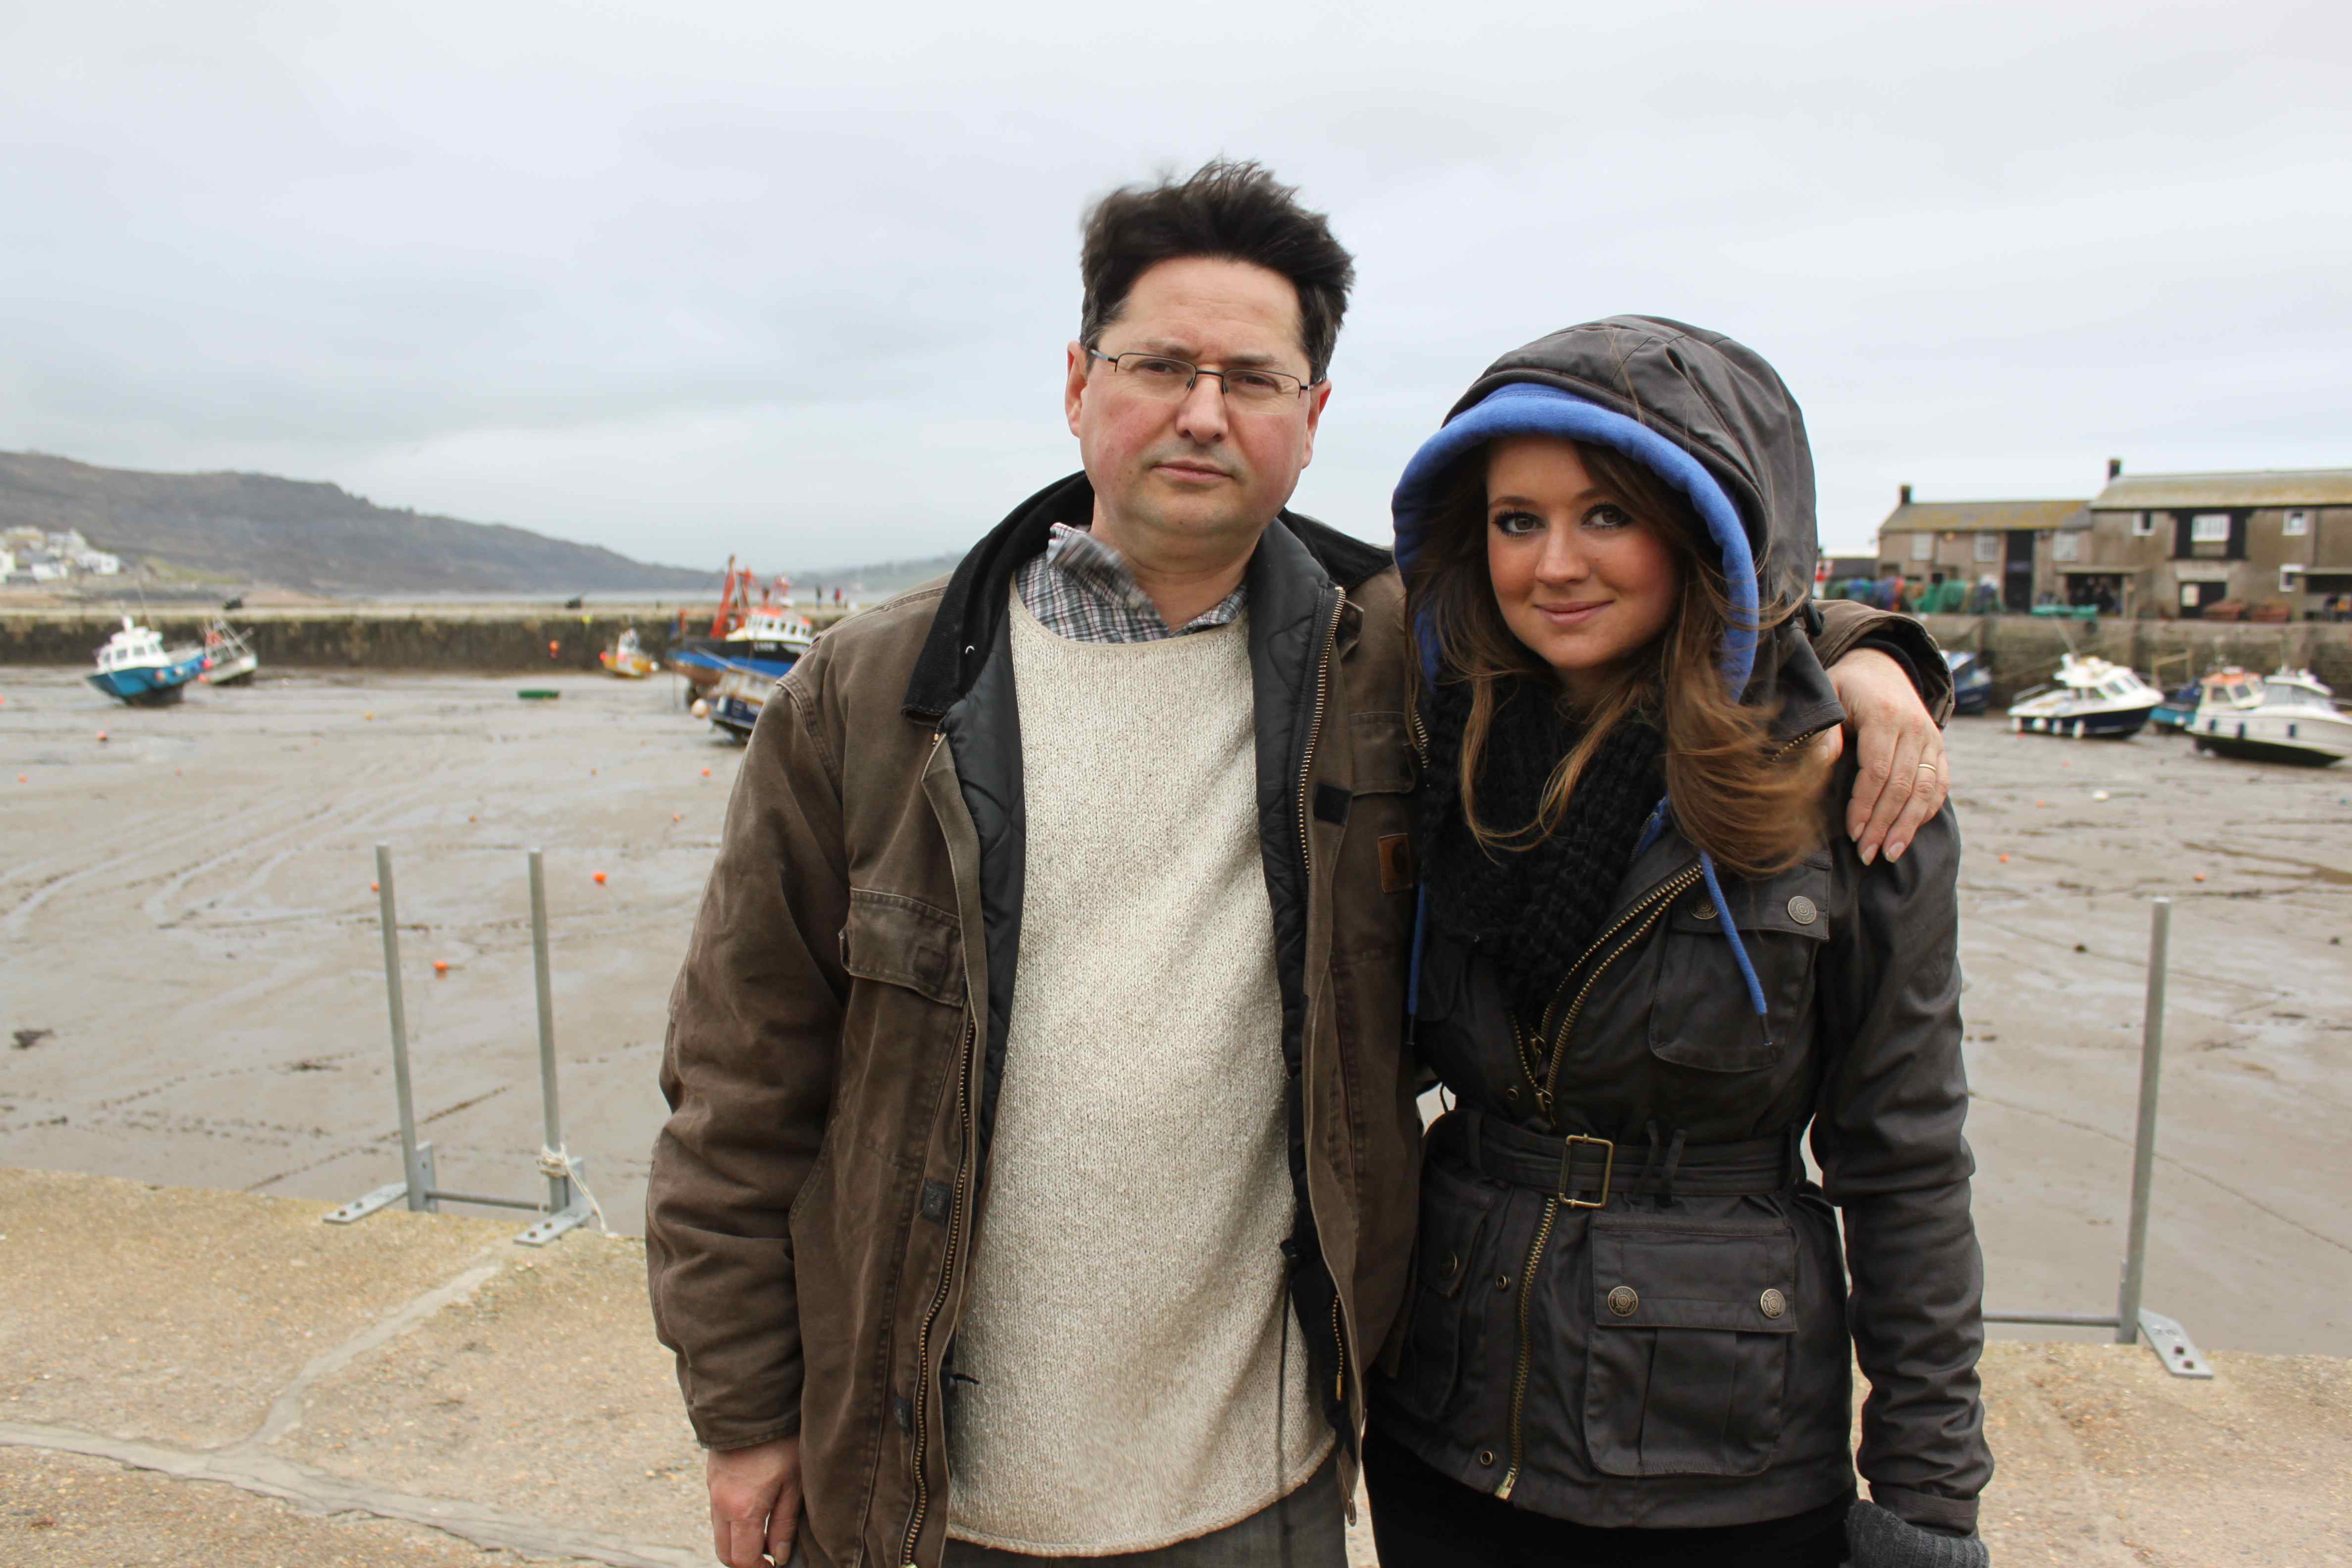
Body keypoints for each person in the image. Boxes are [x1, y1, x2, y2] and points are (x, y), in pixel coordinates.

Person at [645, 165, 1954, 1568]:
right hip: (926, 1493)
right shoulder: (868, 697)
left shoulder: (1385, 664)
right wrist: (746, 1415)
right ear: (1079, 383)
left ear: (1313, 418)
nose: (1204, 413)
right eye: (1161, 366)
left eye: (1253, 380)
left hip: (1259, 1489)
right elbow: (740, 1086)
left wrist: (1868, 658)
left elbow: (1663, 621)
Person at [1365, 319, 1989, 1568]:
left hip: (1720, 1453)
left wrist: (1928, 1502)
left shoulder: (1845, 783)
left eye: (1608, 515)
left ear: (1706, 533)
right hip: (1444, 1420)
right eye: (1517, 520)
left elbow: (1906, 1159)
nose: (1554, 565)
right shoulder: (1441, 738)